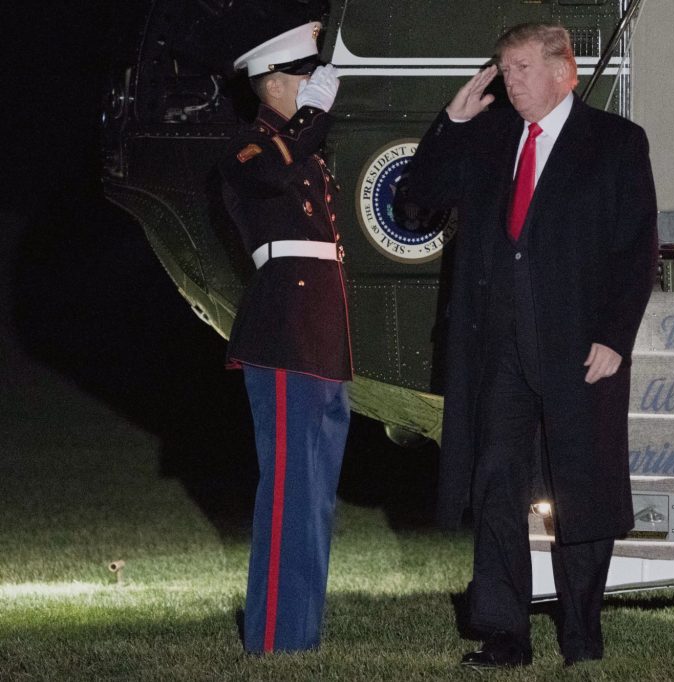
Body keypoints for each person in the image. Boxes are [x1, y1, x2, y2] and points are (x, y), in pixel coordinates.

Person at [398, 22, 658, 668]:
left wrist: (615, 336)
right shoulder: (487, 136)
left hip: (579, 346)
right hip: (498, 349)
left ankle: (581, 638)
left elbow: (636, 249)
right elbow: (415, 204)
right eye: (504, 69)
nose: (510, 81)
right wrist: (451, 124)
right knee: (495, 481)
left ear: (564, 71)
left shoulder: (616, 143)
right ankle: (504, 634)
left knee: (581, 488)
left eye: (521, 68)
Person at [219, 21, 351, 654]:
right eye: (304, 78)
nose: (316, 86)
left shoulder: (303, 149)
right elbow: (270, 172)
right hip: (283, 332)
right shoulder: (248, 148)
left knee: (315, 494)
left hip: (320, 331)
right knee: (288, 491)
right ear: (272, 83)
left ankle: (300, 634)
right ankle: (275, 637)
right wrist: (311, 119)